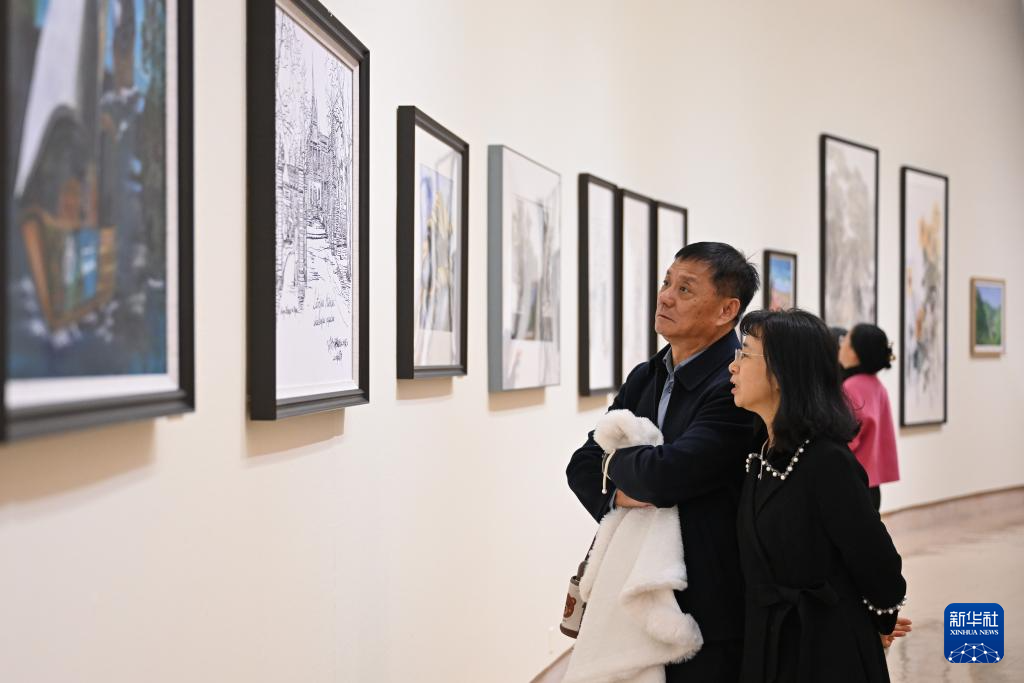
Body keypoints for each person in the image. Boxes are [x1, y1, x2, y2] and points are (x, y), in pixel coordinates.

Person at [567, 242, 760, 682]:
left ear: (727, 310)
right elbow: (580, 465)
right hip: (631, 581)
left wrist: (617, 466)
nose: (666, 297)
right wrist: (622, 489)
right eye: (666, 283)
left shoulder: (734, 384)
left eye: (685, 289)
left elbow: (668, 475)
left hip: (704, 600)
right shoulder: (646, 375)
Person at [728, 309, 907, 682]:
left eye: (745, 354)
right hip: (769, 647)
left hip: (826, 651)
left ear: (782, 372)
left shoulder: (827, 461)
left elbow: (879, 565)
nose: (733, 366)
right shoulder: (761, 454)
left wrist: (881, 620)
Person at [839, 323, 900, 510]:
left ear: (854, 354)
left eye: (845, 340)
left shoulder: (850, 387)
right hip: (872, 484)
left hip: (851, 483)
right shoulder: (878, 387)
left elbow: (846, 438)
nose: (840, 345)